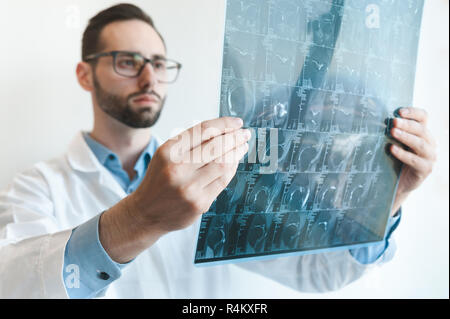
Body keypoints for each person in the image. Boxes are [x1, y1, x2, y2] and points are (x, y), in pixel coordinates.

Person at [0, 3, 437, 298]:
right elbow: (14, 284)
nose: (149, 78)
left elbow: (317, 272)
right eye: (127, 62)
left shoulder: (217, 171)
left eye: (159, 63)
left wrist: (385, 197)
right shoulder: (37, 188)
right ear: (84, 74)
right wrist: (137, 218)